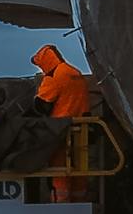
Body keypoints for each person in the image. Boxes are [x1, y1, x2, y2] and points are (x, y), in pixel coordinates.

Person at [31, 43, 95, 202]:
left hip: (59, 131)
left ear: (45, 62)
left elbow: (41, 106)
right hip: (82, 129)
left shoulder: (54, 75)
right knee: (79, 169)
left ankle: (60, 205)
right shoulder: (75, 72)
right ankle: (81, 204)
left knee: (59, 170)